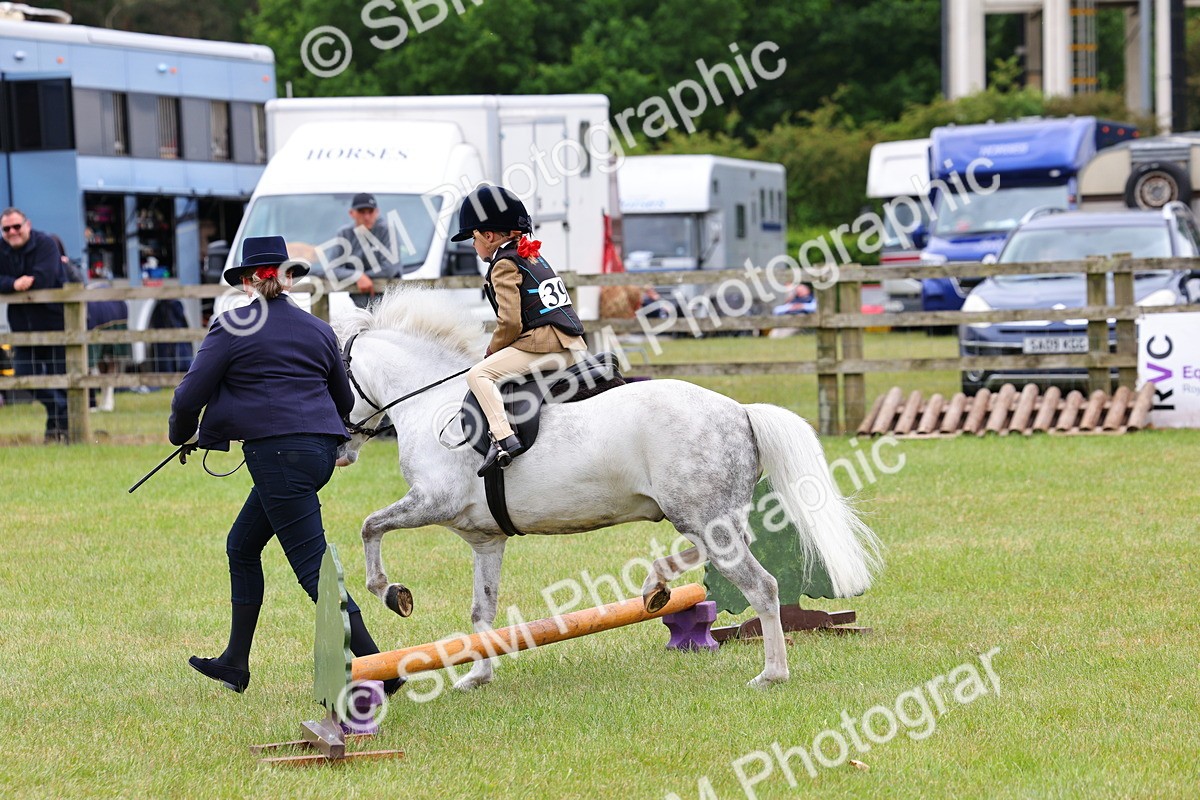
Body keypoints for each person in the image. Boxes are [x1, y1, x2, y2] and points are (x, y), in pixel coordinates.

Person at [169, 235, 399, 695]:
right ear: (288, 277)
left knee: (315, 573)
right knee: (242, 545)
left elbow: (189, 395)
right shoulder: (316, 330)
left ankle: (380, 669)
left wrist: (182, 435)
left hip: (278, 458)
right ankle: (235, 661)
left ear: (249, 282)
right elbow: (345, 399)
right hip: (315, 457)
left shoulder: (231, 326)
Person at [452, 186, 588, 476]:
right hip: (571, 343)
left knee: (479, 374)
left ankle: (503, 438)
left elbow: (510, 322)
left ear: (488, 236)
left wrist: (491, 352)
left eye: (474, 238)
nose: (473, 246)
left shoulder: (503, 264)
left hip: (547, 345)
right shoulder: (532, 256)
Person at [0, 208, 68, 442]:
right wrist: (13, 283)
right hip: (22, 329)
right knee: (24, 375)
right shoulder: (2, 249)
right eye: (6, 229)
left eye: (16, 226)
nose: (12, 232)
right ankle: (58, 410)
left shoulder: (46, 244)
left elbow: (46, 277)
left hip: (55, 325)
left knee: (61, 378)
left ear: (27, 225)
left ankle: (60, 431)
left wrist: (29, 282)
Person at [329, 192, 403, 308]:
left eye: (370, 211)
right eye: (361, 212)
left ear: (377, 212)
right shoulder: (344, 234)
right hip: (355, 307)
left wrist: (363, 276)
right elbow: (332, 269)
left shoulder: (388, 231)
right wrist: (357, 276)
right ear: (351, 213)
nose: (366, 216)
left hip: (390, 304)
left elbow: (390, 268)